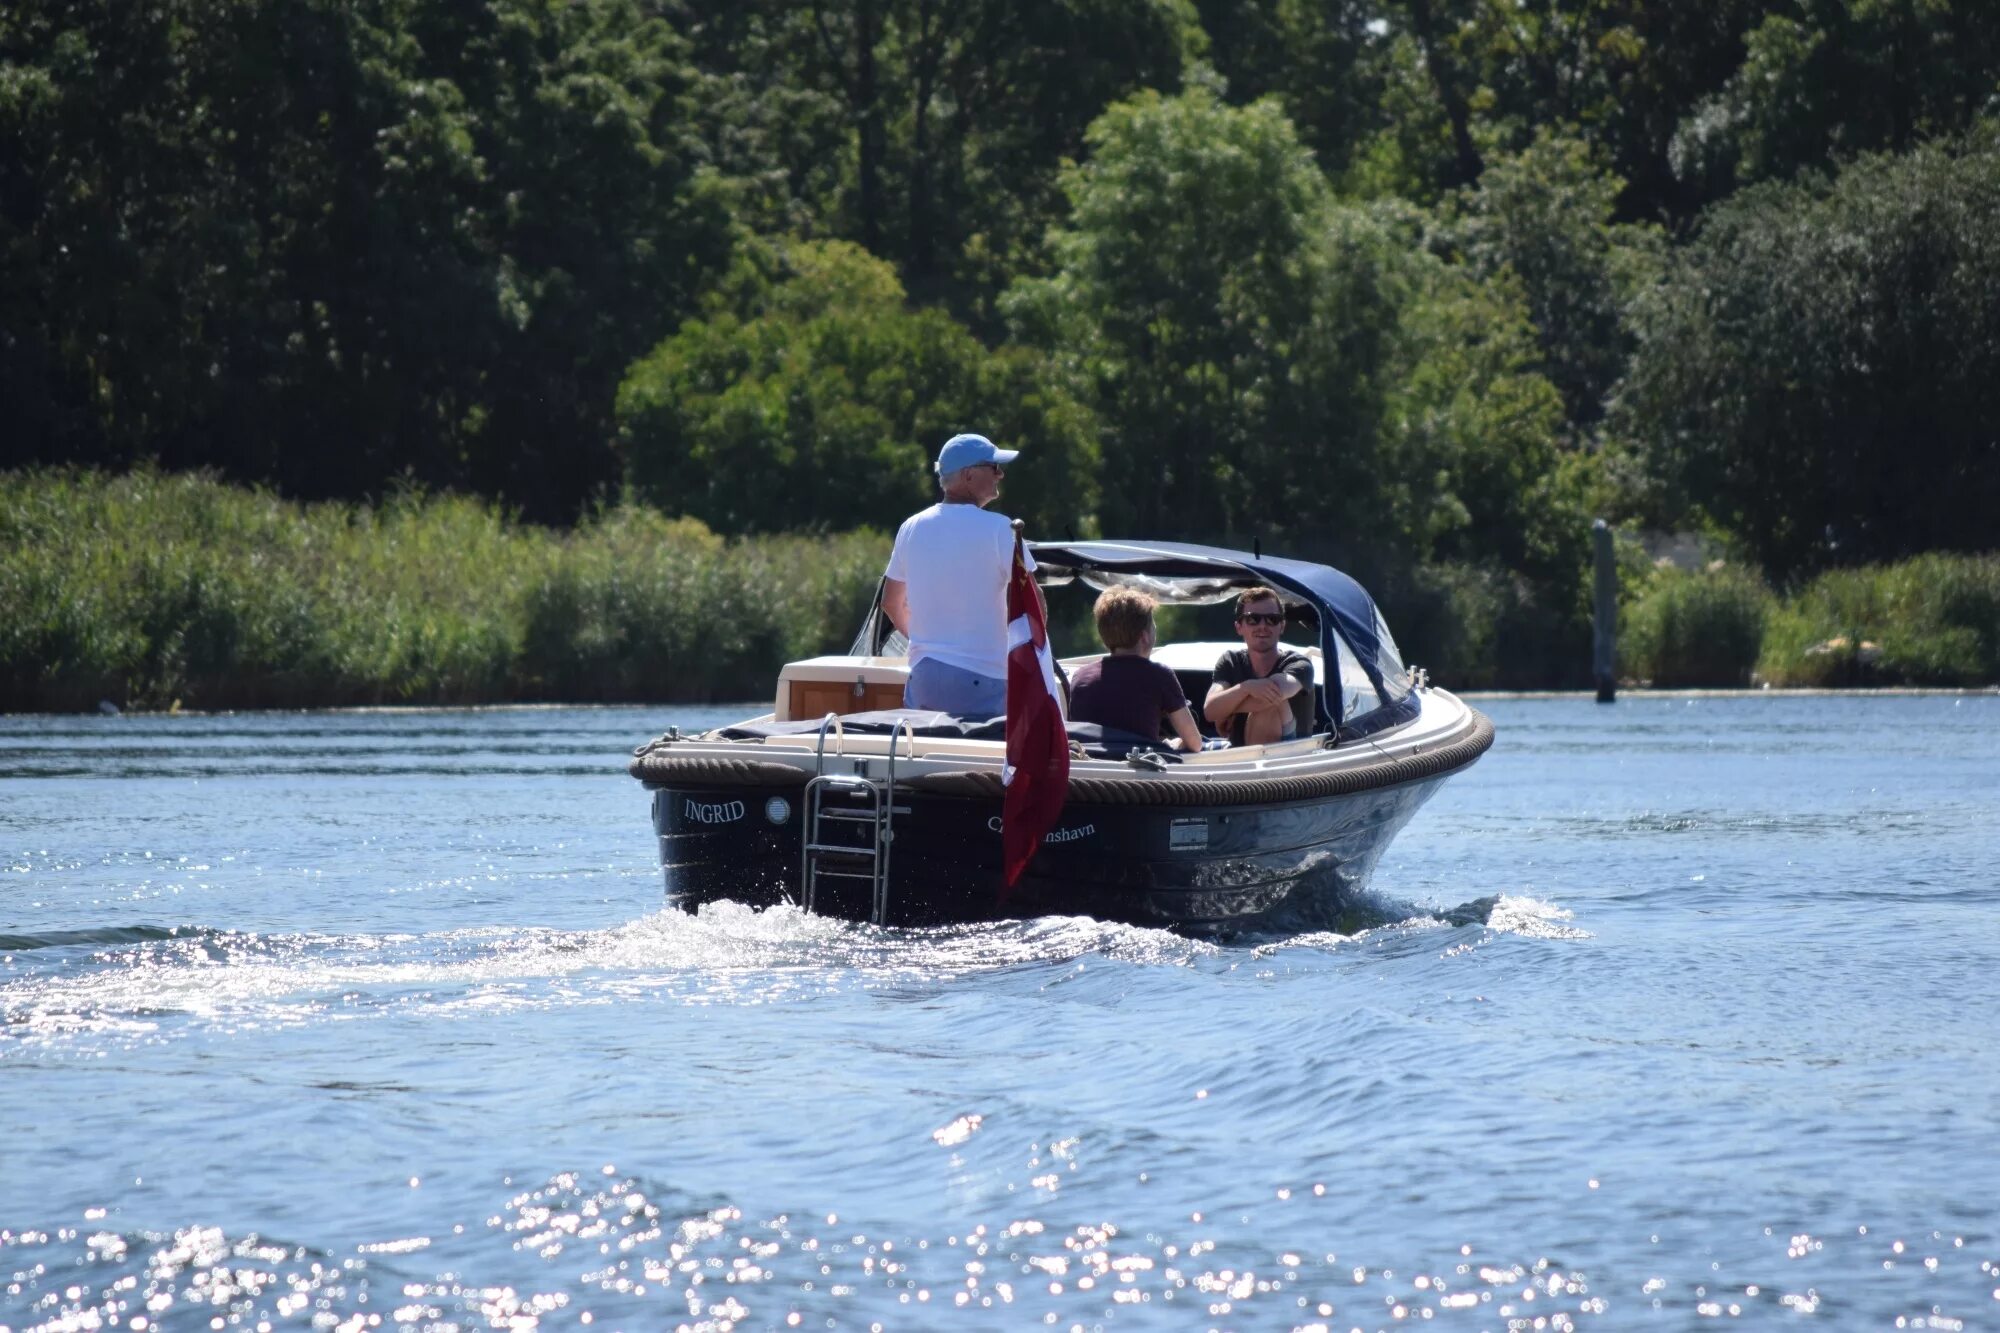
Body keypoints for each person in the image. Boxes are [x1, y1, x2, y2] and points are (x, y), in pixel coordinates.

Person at [881, 432, 1031, 716]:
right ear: (968, 475)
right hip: (984, 679)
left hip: (923, 678)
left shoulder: (910, 527)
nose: (1000, 475)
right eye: (994, 467)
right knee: (986, 760)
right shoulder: (1003, 529)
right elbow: (1032, 606)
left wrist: (925, 642)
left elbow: (891, 602)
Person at [1066, 587, 1207, 751]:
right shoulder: (1160, 675)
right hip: (1138, 772)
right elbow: (1195, 744)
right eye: (1153, 624)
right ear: (1144, 636)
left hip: (1089, 770)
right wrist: (1172, 744)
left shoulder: (1080, 677)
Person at [1204, 586, 1315, 746]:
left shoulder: (1299, 664)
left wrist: (1226, 710)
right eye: (1253, 619)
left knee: (1271, 703)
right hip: (1238, 757)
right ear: (1239, 627)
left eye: (1272, 619)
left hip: (1291, 756)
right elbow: (1210, 710)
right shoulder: (1230, 661)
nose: (1263, 626)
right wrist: (1246, 688)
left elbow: (1272, 695)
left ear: (1282, 626)